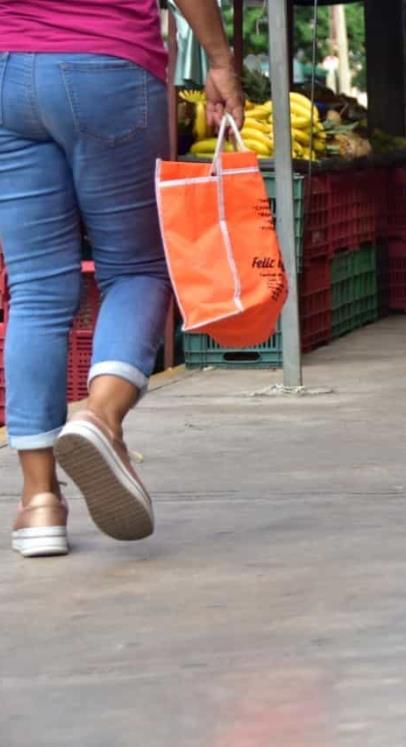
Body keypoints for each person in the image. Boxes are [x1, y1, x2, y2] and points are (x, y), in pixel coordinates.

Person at [0, 1, 244, 557]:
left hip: (7, 70)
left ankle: (39, 502)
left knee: (36, 289)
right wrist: (221, 59)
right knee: (137, 268)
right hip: (109, 65)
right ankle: (100, 416)